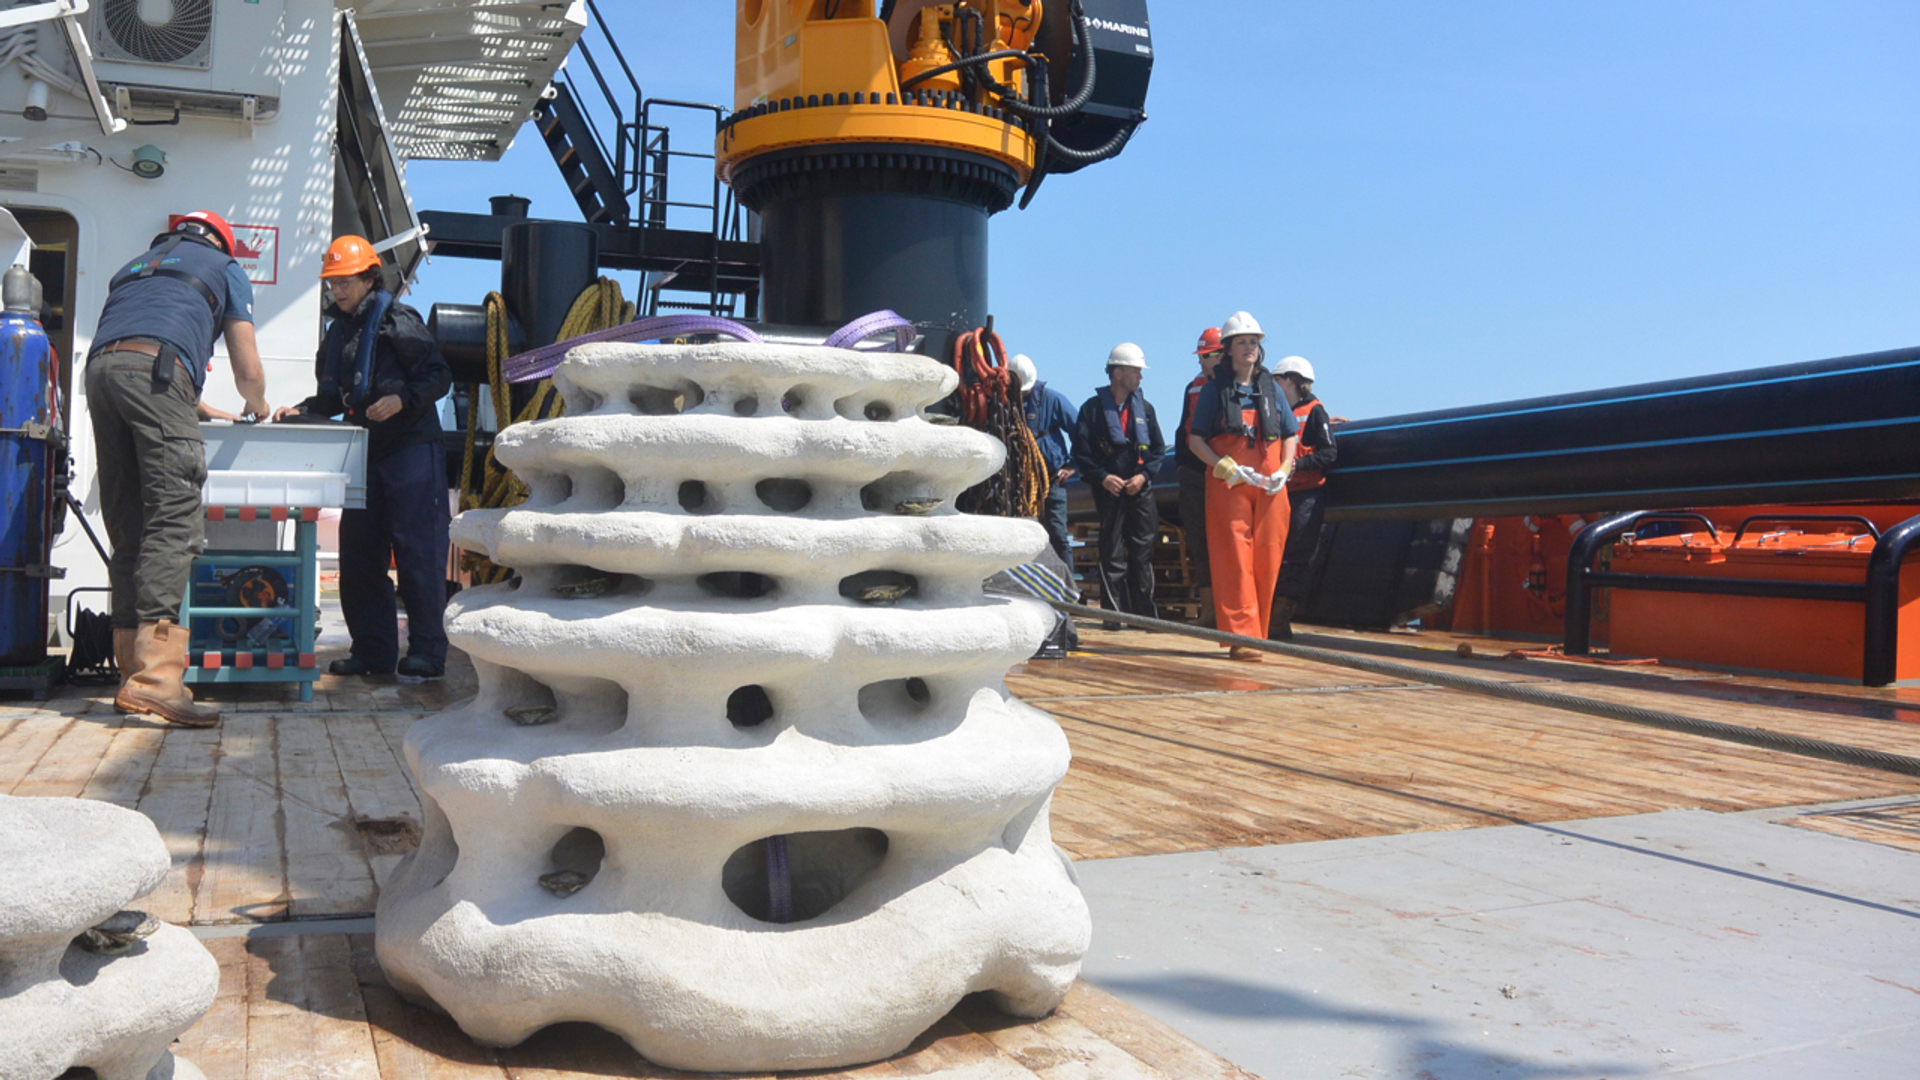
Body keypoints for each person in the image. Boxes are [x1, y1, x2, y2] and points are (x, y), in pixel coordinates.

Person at [89, 210, 271, 727]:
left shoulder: (133, 268)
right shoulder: (224, 266)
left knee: (129, 525)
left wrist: (194, 403)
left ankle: (130, 674)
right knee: (173, 517)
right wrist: (256, 402)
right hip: (155, 375)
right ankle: (158, 681)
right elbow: (246, 367)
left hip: (101, 375)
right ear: (220, 241)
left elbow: (133, 354)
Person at [274, 236, 452, 680]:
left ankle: (428, 653)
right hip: (365, 456)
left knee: (417, 554)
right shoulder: (339, 332)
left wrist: (402, 400)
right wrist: (303, 410)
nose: (337, 290)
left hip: (411, 450)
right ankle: (372, 653)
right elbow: (336, 396)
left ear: (370, 277)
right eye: (332, 283)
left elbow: (438, 376)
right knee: (359, 555)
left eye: (345, 281)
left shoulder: (398, 318)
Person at [1184, 312, 1299, 661]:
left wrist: (1285, 467)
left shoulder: (1271, 389)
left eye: (1254, 342)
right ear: (1229, 349)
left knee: (1267, 555)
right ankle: (1241, 637)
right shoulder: (1214, 391)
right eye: (1242, 342)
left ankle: (1259, 634)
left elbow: (1291, 433)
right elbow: (1195, 440)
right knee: (1233, 558)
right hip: (1230, 484)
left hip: (1269, 485)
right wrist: (1220, 465)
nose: (1249, 348)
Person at [1071, 343, 1165, 626]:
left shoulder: (1145, 410)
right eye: (1136, 371)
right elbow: (1081, 454)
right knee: (1111, 552)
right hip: (1109, 491)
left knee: (1142, 553)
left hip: (1140, 489)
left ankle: (1145, 619)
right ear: (1119, 372)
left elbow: (1158, 450)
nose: (1140, 377)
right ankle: (1112, 617)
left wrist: (1144, 476)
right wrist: (1102, 477)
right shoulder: (1091, 411)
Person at [1271, 355, 1337, 640]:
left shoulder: (1314, 412)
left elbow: (1328, 453)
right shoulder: (1274, 411)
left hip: (1306, 494)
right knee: (1274, 554)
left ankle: (1279, 620)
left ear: (1291, 381)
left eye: (1278, 380)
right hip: (1279, 493)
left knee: (1296, 557)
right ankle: (1267, 615)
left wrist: (1297, 465)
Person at [1174, 327, 1224, 626]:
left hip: (1226, 474)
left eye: (1206, 356)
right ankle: (1209, 612)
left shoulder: (1241, 386)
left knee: (1228, 543)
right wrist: (1183, 466)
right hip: (1195, 473)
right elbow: (1183, 429)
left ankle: (1231, 613)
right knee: (1200, 540)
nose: (1201, 362)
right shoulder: (1194, 387)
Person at [1010, 353, 1078, 563]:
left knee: (1057, 535)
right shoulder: (1004, 404)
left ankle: (1067, 591)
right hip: (1018, 479)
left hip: (1052, 479)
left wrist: (1073, 465)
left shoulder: (1053, 400)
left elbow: (1081, 432)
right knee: (1019, 534)